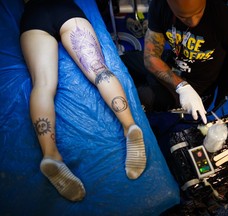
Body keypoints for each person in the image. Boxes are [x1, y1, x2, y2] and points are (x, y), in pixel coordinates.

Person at [20, 0, 146, 202]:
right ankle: (129, 126)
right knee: (99, 70)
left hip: (33, 15)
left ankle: (51, 154)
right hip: (66, 10)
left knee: (43, 85)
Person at [128, 0, 228, 124]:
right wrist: (181, 86)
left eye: (198, 12)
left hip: (198, 87)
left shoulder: (224, 17)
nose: (193, 21)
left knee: (138, 98)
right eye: (183, 17)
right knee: (121, 65)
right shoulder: (160, 6)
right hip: (172, 62)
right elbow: (150, 56)